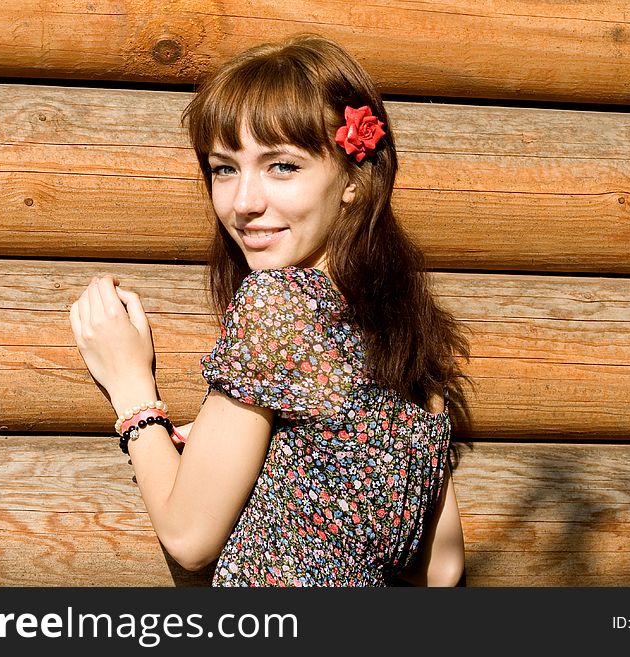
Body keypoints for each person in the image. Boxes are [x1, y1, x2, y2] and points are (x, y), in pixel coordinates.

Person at [69, 33, 471, 586]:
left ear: (354, 177)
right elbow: (442, 568)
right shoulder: (405, 333)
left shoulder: (278, 305)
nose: (243, 202)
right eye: (224, 168)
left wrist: (131, 389)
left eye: (281, 166)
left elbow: (188, 539)